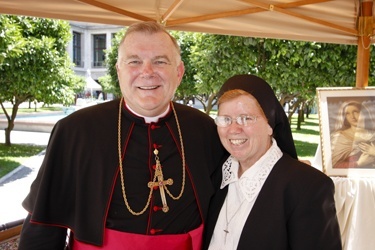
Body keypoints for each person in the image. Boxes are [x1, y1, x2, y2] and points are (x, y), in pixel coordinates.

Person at [18, 21, 227, 249]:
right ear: (119, 71)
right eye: (134, 61)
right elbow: (43, 226)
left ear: (179, 72)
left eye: (160, 61)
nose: (147, 72)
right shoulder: (75, 131)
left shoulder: (205, 130)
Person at [203, 74, 342, 250]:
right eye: (226, 119)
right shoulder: (216, 176)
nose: (233, 129)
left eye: (246, 118)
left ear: (270, 124)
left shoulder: (308, 188)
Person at [330, 100, 375, 168]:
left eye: (355, 112)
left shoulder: (373, 135)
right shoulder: (338, 136)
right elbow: (333, 166)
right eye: (347, 113)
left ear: (364, 114)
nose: (352, 116)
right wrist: (358, 163)